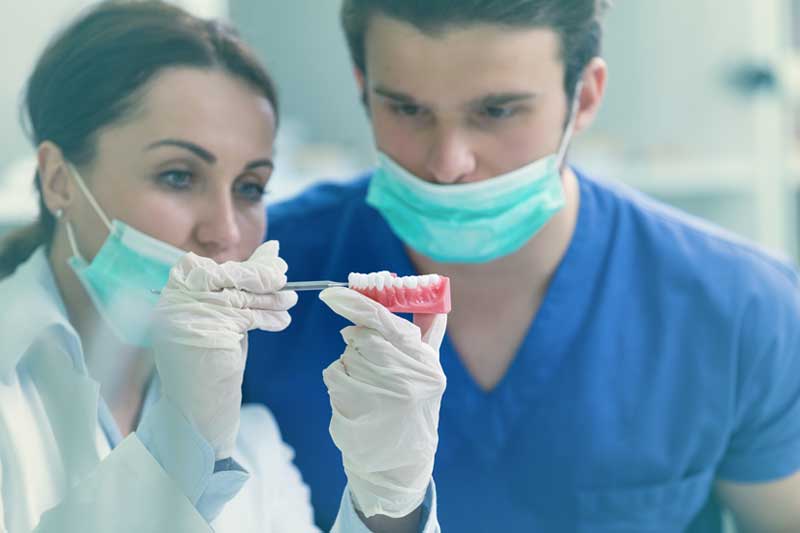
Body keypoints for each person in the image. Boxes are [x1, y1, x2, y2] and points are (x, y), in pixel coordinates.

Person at [244, 0, 800, 531]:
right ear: (364, 89)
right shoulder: (264, 286)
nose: (449, 162)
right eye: (407, 109)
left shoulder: (741, 310)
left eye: (497, 111)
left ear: (583, 99)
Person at [0, 2, 447, 532]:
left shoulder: (251, 432)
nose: (227, 232)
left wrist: (386, 508)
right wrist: (180, 443)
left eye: (250, 188)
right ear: (58, 180)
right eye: (178, 176)